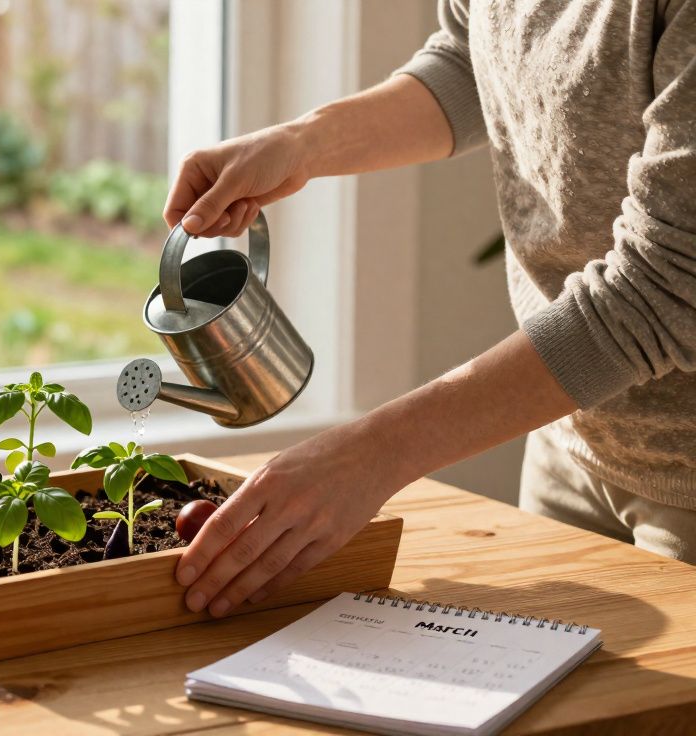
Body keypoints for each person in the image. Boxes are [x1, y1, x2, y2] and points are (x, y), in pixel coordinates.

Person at [167, 0, 696, 618]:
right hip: (571, 439)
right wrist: (302, 143)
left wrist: (374, 454)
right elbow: (477, 59)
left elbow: (666, 285)